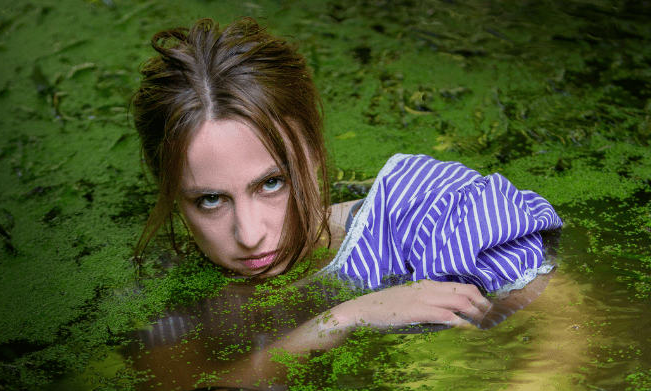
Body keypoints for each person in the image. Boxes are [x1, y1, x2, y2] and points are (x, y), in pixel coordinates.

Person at [131, 17, 562, 335]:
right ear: (169, 192)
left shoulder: (425, 216)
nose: (248, 235)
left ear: (315, 154)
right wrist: (341, 319)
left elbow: (569, 337)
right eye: (209, 199)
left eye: (272, 183)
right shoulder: (161, 302)